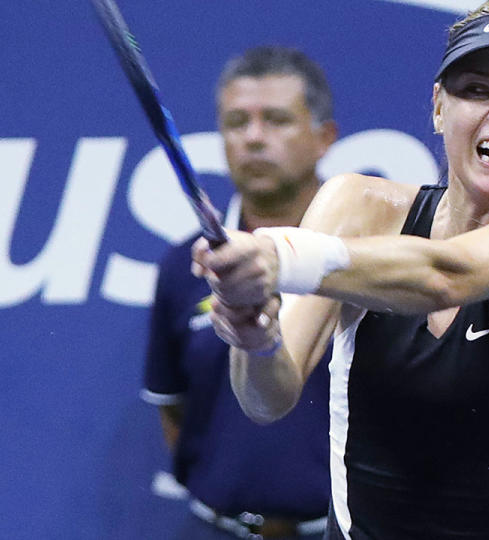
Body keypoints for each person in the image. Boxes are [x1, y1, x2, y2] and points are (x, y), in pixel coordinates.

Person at [194, 2, 489, 537]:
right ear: (439, 107)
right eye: (476, 89)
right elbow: (265, 399)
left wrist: (281, 256)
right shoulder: (355, 206)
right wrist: (254, 336)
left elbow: (446, 276)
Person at [141, 46, 338, 540]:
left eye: (276, 120)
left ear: (324, 137)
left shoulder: (363, 261)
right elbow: (175, 409)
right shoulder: (184, 267)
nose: (253, 138)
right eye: (236, 122)